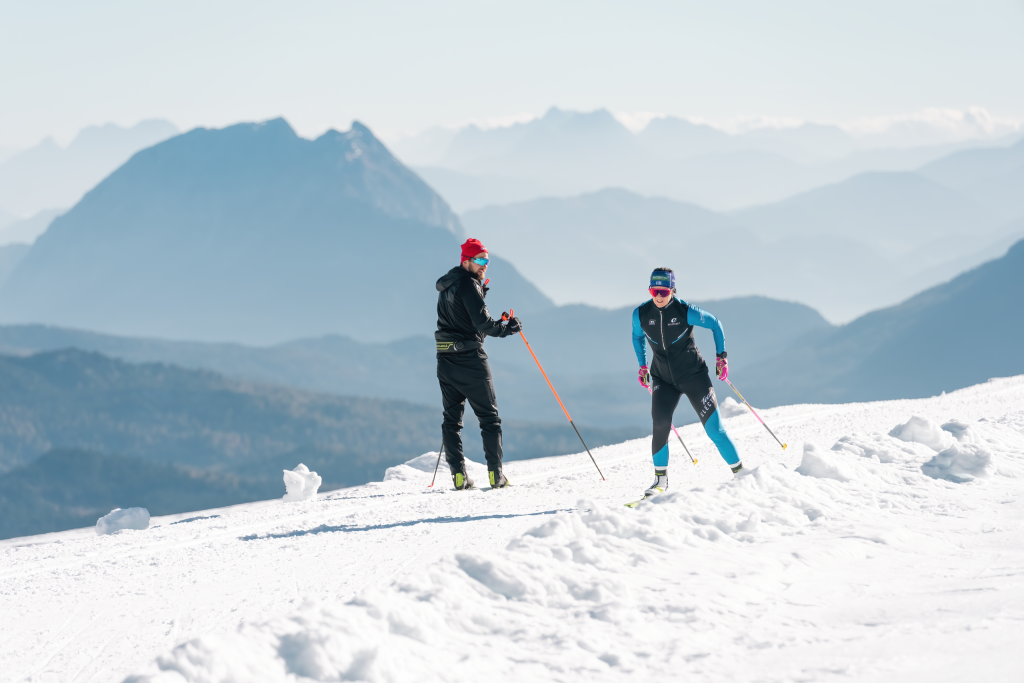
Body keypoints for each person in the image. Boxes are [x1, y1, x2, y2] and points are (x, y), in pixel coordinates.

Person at [632, 267, 742, 498]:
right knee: (660, 425)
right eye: (654, 291)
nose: (659, 296)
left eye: (663, 291)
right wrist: (643, 365)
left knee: (715, 430)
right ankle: (660, 481)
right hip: (663, 379)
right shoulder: (641, 314)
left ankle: (742, 475)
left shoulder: (685, 311)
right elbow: (637, 336)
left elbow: (715, 324)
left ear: (672, 289)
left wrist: (721, 357)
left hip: (694, 377)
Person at [435, 238, 522, 490]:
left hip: (445, 359)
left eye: (487, 260)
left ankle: (458, 476)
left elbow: (465, 324)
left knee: (451, 419)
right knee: (490, 418)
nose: (484, 265)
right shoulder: (468, 284)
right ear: (466, 261)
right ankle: (496, 476)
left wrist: (481, 296)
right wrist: (508, 328)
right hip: (470, 361)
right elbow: (484, 326)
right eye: (480, 260)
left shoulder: (446, 285)